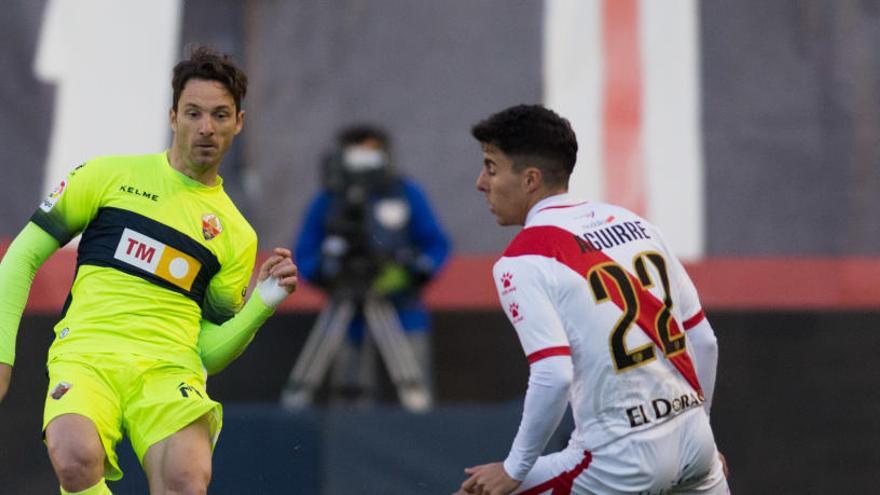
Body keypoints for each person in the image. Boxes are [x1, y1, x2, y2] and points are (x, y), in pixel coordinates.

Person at [0, 46, 298, 495]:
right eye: (194, 113)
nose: (205, 128)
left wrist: (263, 302)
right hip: (87, 355)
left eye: (219, 115)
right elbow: (21, 258)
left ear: (239, 122)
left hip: (168, 372)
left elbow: (208, 352)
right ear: (173, 116)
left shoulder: (236, 235)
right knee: (76, 459)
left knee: (186, 480)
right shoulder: (107, 177)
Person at [457, 105, 728, 494]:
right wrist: (700, 429)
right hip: (694, 438)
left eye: (491, 167)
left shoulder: (523, 260)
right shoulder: (636, 224)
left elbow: (553, 375)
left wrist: (514, 468)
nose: (481, 182)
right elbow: (704, 341)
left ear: (530, 179)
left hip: (619, 457)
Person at [293, 124, 450, 408]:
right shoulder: (328, 199)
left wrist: (410, 273)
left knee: (416, 394)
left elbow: (436, 245)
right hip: (345, 318)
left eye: (372, 151)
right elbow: (305, 253)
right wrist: (329, 274)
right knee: (350, 395)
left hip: (402, 315)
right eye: (357, 151)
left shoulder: (406, 193)